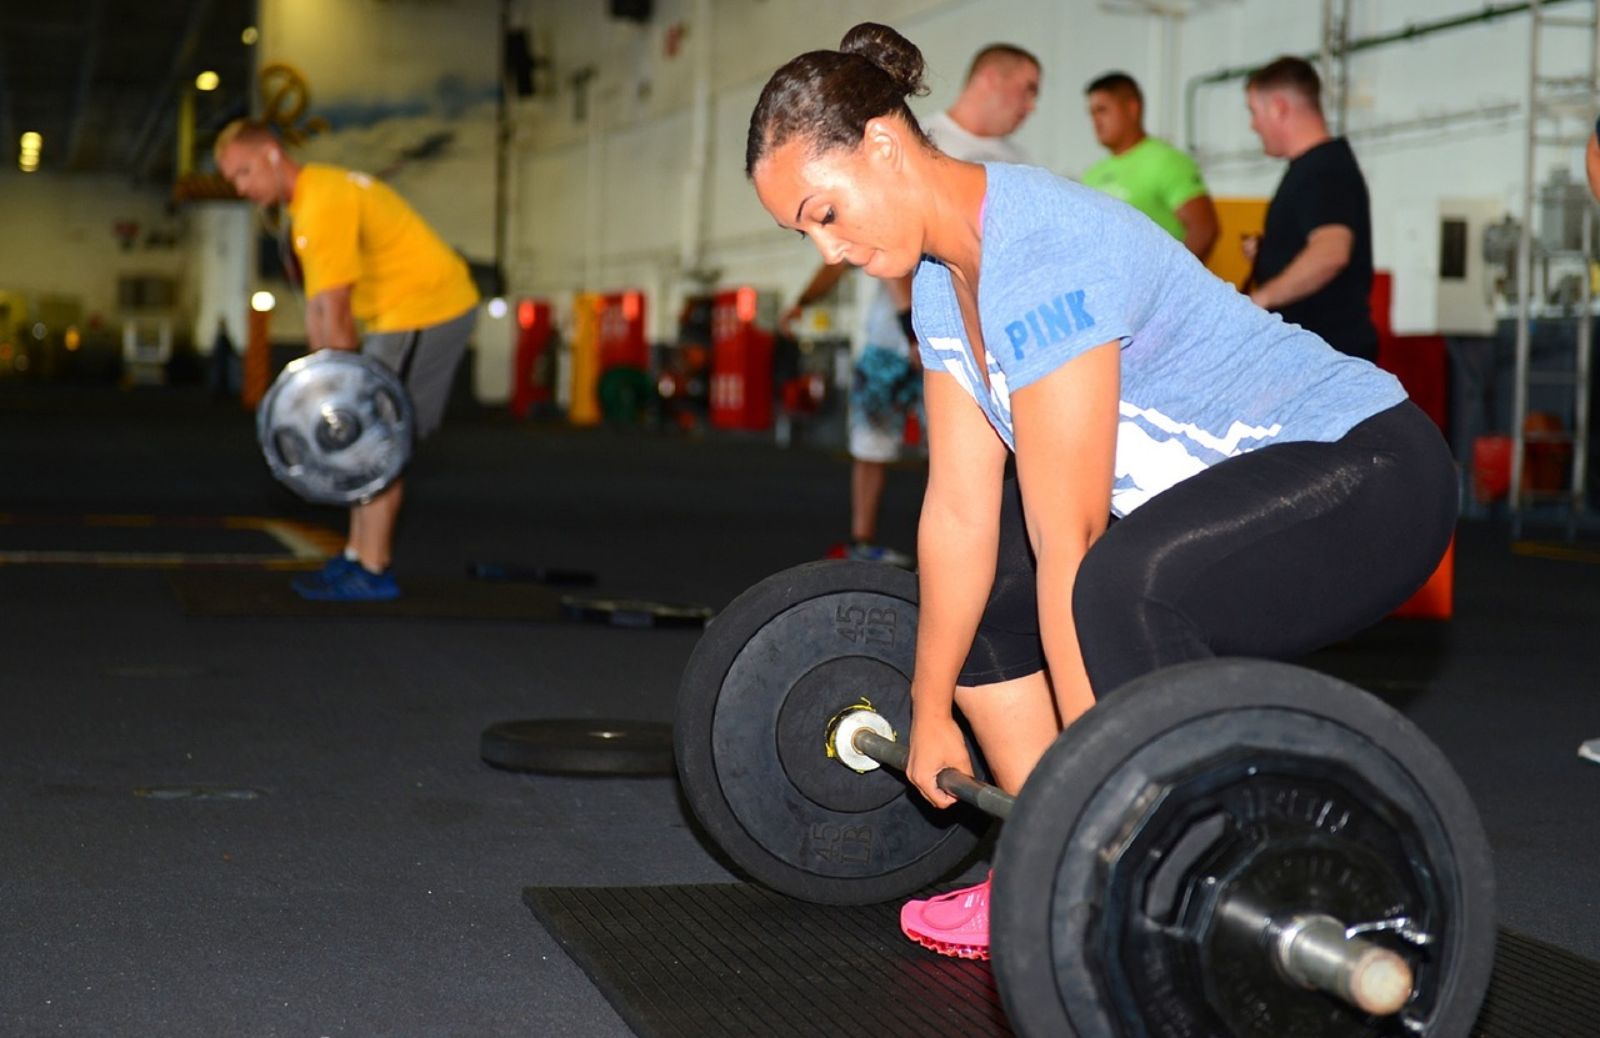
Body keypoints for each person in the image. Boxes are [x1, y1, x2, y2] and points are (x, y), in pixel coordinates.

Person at [746, 24, 1456, 960]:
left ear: (882, 143)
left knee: (1117, 588)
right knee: (993, 604)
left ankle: (1160, 866)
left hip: (1368, 471)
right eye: (804, 231)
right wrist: (927, 713)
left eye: (824, 211)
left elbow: (1069, 535)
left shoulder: (1041, 248)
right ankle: (1053, 865)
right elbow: (959, 509)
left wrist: (1100, 792)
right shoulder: (933, 280)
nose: (826, 249)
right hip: (1236, 498)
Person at [779, 44, 1040, 564]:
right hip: (895, 334)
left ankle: (960, 560)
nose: (1032, 104)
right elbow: (874, 243)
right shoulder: (922, 142)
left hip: (978, 338)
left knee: (958, 455)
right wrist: (910, 328)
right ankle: (862, 542)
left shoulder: (1020, 166)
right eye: (1027, 88)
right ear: (990, 78)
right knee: (873, 441)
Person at [215, 119, 479, 602]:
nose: (242, 187)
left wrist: (334, 398)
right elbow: (319, 309)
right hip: (396, 314)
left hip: (428, 307)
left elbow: (335, 311)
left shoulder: (322, 203)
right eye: (234, 180)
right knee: (360, 432)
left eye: (245, 172)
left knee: (376, 435)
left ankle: (373, 568)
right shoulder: (311, 202)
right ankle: (357, 556)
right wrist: (322, 390)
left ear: (273, 154)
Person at [1244, 57, 1378, 361]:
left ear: (1278, 106)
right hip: (1318, 354)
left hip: (1326, 357)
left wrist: (1260, 300)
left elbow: (1331, 251)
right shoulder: (1315, 168)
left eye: (1254, 112)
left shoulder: (1322, 170)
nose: (1253, 125)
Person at [1080, 71, 1218, 262]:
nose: (1095, 121)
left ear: (1132, 109)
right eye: (1092, 113)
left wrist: (1169, 283)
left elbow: (1204, 229)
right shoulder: (1092, 174)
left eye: (1102, 110)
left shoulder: (1167, 161)